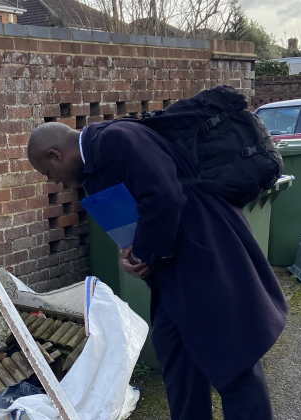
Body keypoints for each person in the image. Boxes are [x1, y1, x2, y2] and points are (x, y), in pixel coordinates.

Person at [27, 120, 287, 420]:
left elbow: (166, 195)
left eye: (49, 173)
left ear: (55, 155)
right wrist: (129, 252)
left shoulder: (117, 140)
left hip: (208, 259)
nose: (55, 182)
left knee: (234, 361)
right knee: (178, 363)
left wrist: (145, 250)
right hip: (173, 274)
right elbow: (138, 215)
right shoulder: (95, 165)